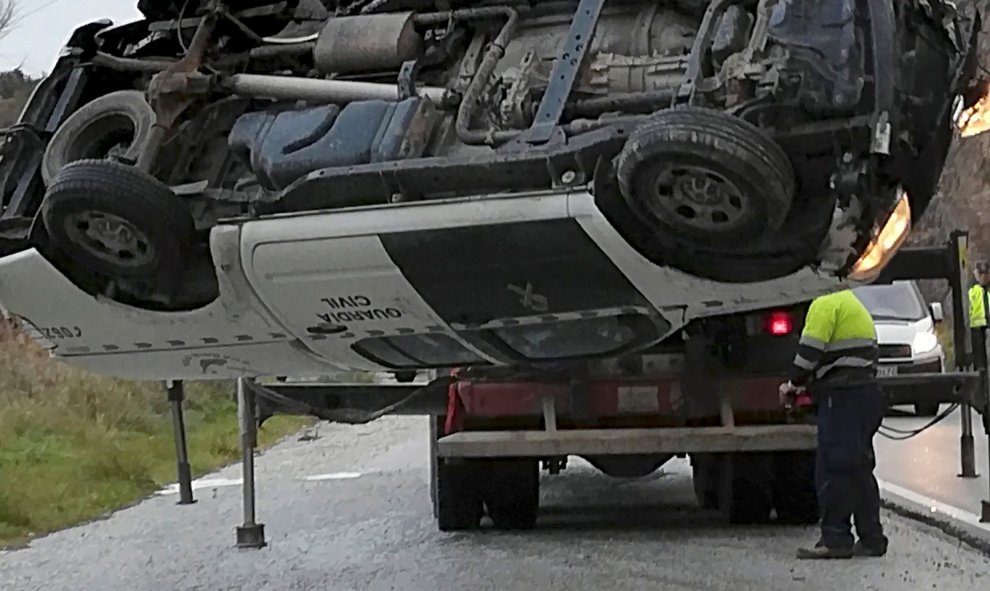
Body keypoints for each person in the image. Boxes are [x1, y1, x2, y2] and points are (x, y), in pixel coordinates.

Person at [779, 288, 888, 559]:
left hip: (842, 397)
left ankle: (836, 539)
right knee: (860, 468)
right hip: (867, 392)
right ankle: (872, 538)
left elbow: (809, 353)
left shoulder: (824, 304)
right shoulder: (851, 301)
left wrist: (792, 384)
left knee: (834, 467)